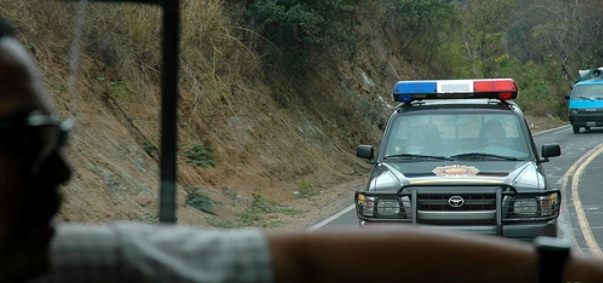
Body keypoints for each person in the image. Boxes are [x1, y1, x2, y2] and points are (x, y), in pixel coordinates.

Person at [1, 15, 603, 283]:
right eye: (26, 140)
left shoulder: (80, 259)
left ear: (539, 149)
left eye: (58, 139)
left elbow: (315, 263)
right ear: (379, 149)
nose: (61, 169)